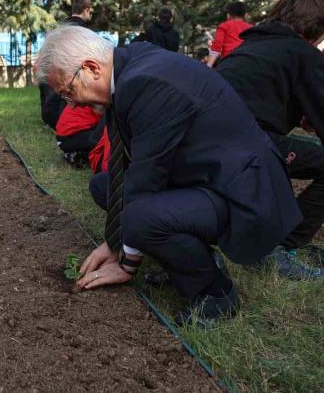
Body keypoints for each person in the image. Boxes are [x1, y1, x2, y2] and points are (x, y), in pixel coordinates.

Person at [35, 25, 301, 326]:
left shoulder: (144, 82)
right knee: (104, 186)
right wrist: (114, 240)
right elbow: (130, 169)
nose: (70, 103)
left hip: (243, 193)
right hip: (206, 175)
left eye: (68, 91)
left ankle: (215, 295)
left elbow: (146, 179)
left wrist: (124, 259)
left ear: (91, 68)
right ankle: (194, 255)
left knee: (139, 217)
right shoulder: (129, 67)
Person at [217, 0, 324, 279]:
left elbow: (258, 95)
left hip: (208, 142)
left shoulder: (251, 45)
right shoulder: (302, 53)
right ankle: (282, 246)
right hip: (245, 144)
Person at [55, 104, 105, 169]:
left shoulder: (88, 95)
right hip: (70, 136)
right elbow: (101, 111)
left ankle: (77, 154)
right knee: (103, 138)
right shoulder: (98, 97)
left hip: (65, 136)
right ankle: (79, 155)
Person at [206, 2, 252, 67]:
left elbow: (217, 46)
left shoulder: (223, 26)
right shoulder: (251, 28)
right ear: (245, 15)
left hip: (229, 61)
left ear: (228, 15)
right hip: (248, 61)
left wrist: (208, 66)